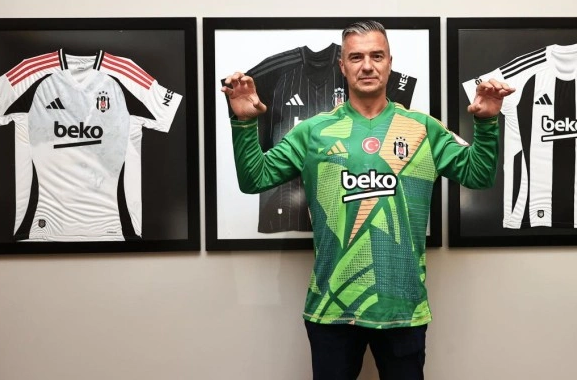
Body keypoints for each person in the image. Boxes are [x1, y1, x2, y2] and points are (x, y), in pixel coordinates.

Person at [221, 20, 515, 380]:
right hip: (331, 309)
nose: (367, 66)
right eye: (356, 57)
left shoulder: (423, 128)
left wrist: (487, 124)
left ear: (390, 62)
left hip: (402, 308)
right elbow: (255, 179)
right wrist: (244, 124)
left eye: (377, 56)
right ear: (342, 66)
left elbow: (478, 176)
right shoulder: (313, 132)